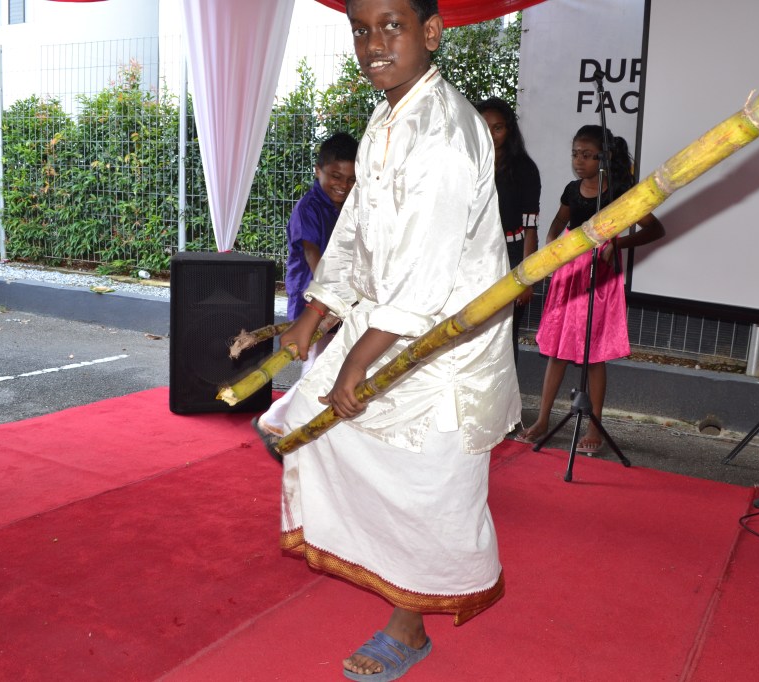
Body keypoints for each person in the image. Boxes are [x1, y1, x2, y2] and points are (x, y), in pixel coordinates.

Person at [275, 0, 519, 679]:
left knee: (427, 486)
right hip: (387, 322)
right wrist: (315, 311)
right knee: (318, 428)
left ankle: (408, 626)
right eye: (361, 29)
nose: (373, 43)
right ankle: (384, 574)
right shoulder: (388, 114)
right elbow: (356, 225)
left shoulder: (444, 133)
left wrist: (353, 359)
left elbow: (425, 275)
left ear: (430, 33)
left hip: (442, 344)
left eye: (392, 25)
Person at [517, 125, 665, 451]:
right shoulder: (572, 189)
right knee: (557, 350)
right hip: (569, 273)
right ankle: (543, 419)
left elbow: (656, 229)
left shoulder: (619, 192)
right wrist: (552, 240)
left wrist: (618, 243)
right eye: (575, 154)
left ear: (604, 158)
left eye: (587, 155)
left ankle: (594, 427)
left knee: (593, 354)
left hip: (599, 275)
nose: (578, 161)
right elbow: (560, 221)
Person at [253, 132, 358, 447]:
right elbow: (314, 256)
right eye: (335, 176)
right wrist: (331, 298)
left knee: (325, 365)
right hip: (313, 300)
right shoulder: (308, 208)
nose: (343, 184)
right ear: (318, 170)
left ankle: (288, 423)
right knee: (317, 367)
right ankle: (275, 421)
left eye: (352, 179)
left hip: (340, 300)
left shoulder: (350, 208)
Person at [475, 97, 541, 364]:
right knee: (473, 331)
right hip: (473, 257)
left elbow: (531, 226)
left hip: (511, 256)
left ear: (509, 130)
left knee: (505, 332)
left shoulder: (524, 169)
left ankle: (506, 390)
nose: (491, 134)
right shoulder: (467, 164)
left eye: (498, 128)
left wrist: (526, 277)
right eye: (485, 127)